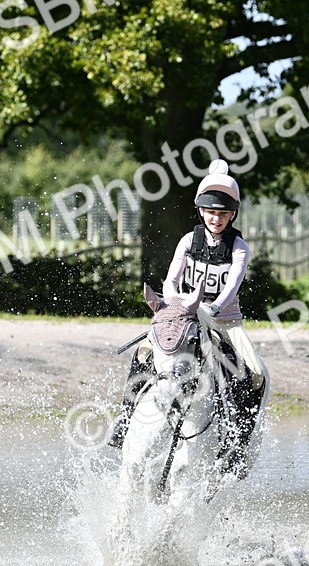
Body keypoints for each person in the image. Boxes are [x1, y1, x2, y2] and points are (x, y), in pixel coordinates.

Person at [108, 160, 267, 476]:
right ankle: (124, 419)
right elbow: (170, 281)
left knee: (254, 373)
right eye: (211, 212)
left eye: (222, 214)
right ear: (201, 211)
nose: (216, 218)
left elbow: (231, 286)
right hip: (183, 315)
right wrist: (175, 306)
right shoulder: (187, 241)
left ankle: (237, 445)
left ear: (232, 214)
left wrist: (212, 310)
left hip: (224, 321)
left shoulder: (239, 248)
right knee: (143, 355)